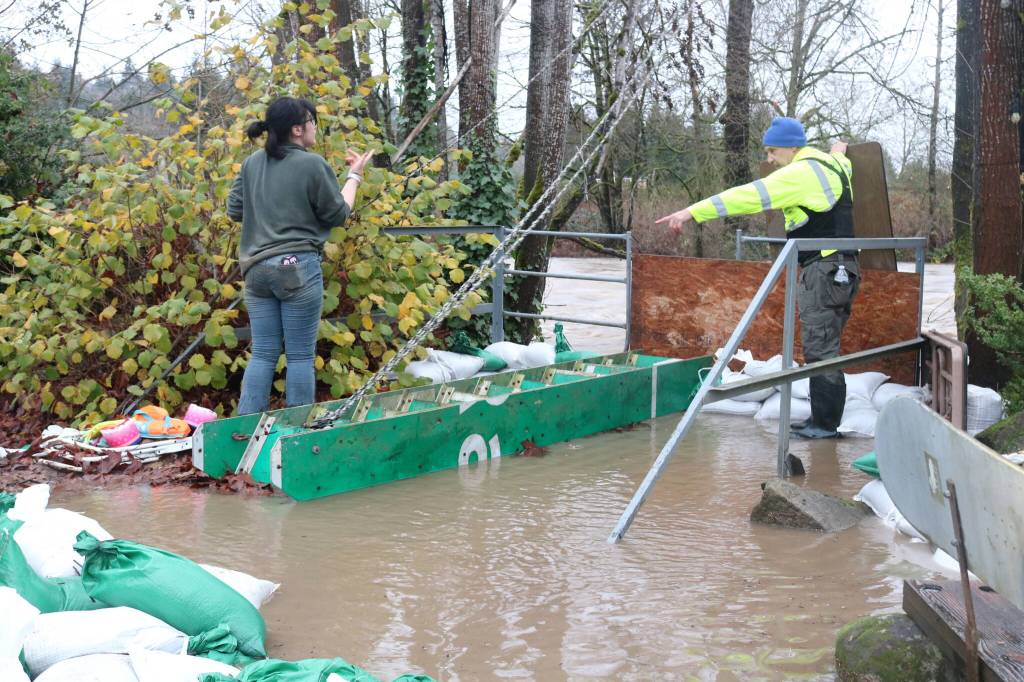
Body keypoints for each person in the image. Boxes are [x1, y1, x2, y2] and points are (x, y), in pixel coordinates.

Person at [656, 116, 858, 439]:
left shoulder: (800, 173)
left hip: (823, 271)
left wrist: (692, 212)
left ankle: (824, 427)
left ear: (793, 148)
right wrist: (839, 150)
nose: (769, 160)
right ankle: (824, 421)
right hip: (844, 271)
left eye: (772, 151)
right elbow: (841, 158)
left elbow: (748, 196)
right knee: (826, 345)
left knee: (821, 351)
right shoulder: (832, 165)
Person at [227, 96, 373, 415]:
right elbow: (337, 214)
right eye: (312, 123)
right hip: (296, 269)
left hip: (256, 271)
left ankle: (243, 430)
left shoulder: (252, 163)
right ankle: (297, 432)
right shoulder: (311, 163)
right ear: (297, 129)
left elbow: (234, 210)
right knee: (300, 357)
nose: (314, 129)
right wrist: (355, 176)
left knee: (263, 354)